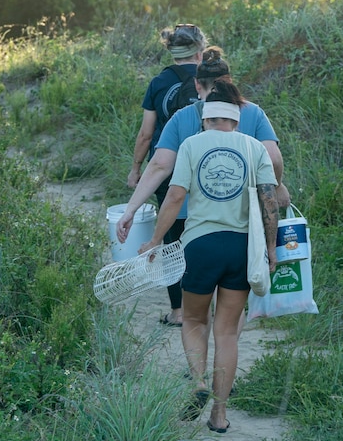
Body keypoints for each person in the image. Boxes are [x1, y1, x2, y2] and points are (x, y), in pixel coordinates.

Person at [137, 82, 279, 433]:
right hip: (240, 249)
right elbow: (269, 202)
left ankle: (199, 381)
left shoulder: (191, 145)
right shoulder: (253, 147)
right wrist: (272, 249)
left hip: (200, 246)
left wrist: (156, 239)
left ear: (206, 117)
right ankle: (220, 415)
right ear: (236, 117)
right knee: (227, 333)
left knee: (193, 321)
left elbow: (173, 197)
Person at [117, 48, 290, 326]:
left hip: (189, 219)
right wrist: (277, 186)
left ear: (197, 84)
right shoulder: (253, 113)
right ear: (230, 81)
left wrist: (130, 210)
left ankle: (186, 330)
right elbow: (273, 157)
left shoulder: (183, 117)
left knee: (194, 307)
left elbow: (159, 166)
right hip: (240, 221)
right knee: (229, 318)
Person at [126, 24, 206, 326]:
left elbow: (147, 134)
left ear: (170, 52)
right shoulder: (209, 78)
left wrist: (136, 170)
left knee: (172, 242)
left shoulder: (159, 82)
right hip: (206, 167)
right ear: (199, 51)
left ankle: (178, 311)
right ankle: (208, 304)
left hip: (167, 168)